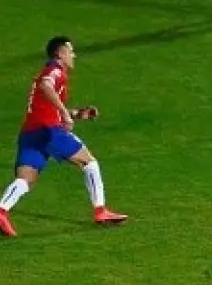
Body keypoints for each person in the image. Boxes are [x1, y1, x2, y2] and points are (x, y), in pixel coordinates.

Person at [0, 37, 127, 237]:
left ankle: (1, 211)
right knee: (89, 163)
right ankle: (100, 211)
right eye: (71, 51)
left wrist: (78, 113)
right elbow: (46, 86)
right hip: (49, 131)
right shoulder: (55, 70)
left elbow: (47, 106)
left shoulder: (47, 72)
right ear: (60, 54)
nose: (73, 55)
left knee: (26, 179)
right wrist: (66, 114)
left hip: (31, 132)